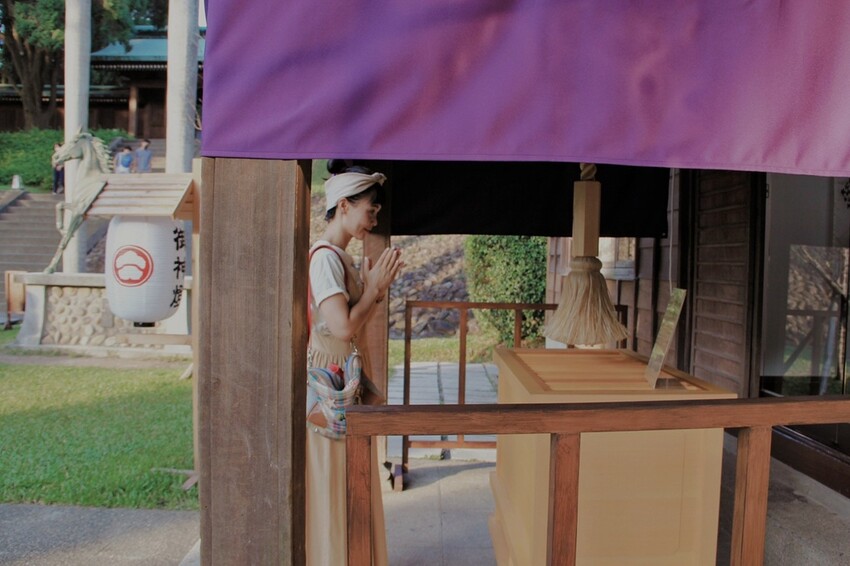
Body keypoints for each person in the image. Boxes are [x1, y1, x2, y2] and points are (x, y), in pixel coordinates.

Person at [307, 160, 403, 565]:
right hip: (328, 383)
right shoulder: (325, 259)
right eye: (370, 210)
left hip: (342, 381)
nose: (373, 218)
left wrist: (374, 293)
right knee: (334, 480)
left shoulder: (340, 258)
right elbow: (342, 327)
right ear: (343, 206)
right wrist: (375, 291)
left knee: (350, 478)